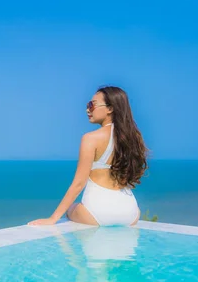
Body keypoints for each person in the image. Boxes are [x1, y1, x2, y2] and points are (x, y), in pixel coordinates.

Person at [28, 86, 148, 226]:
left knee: (72, 210)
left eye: (92, 105)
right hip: (130, 212)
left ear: (110, 108)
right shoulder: (131, 139)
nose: (87, 109)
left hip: (98, 213)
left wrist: (53, 219)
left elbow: (79, 183)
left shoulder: (91, 138)